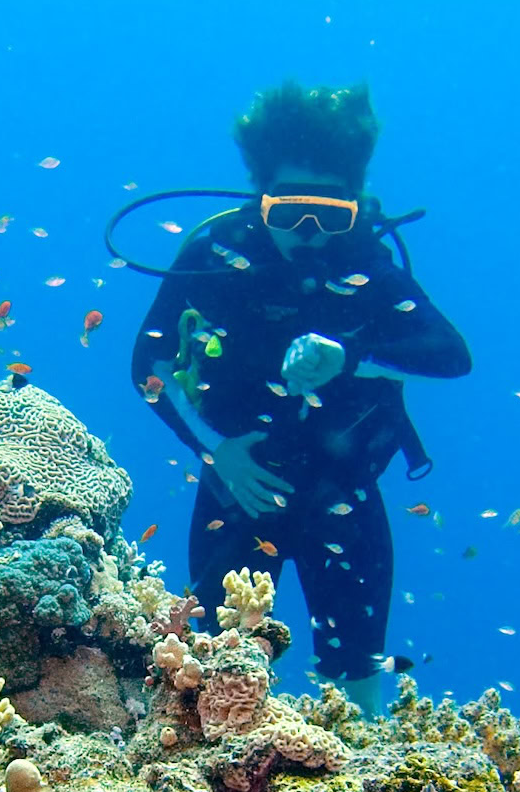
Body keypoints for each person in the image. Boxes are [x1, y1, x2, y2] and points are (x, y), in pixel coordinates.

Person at [130, 81, 471, 715]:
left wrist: (354, 353)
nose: (311, 233)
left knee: (359, 688)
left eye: (332, 214)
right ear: (261, 197)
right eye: (289, 212)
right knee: (201, 675)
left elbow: (452, 357)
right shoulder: (216, 252)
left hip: (345, 493)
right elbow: (146, 363)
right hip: (238, 487)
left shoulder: (369, 262)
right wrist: (217, 451)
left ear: (355, 203)